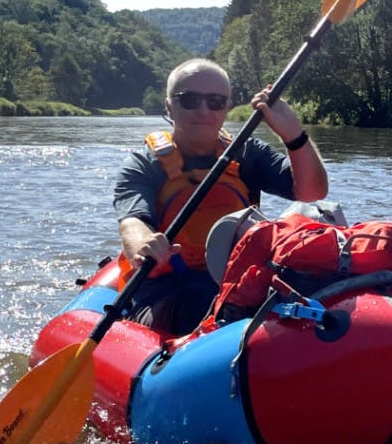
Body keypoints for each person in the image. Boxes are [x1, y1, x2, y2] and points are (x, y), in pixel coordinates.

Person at [113, 58, 328, 334]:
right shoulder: (144, 164)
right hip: (167, 291)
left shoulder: (247, 153)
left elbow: (312, 191)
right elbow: (132, 222)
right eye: (189, 100)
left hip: (238, 283)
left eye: (215, 101)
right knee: (200, 301)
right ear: (169, 106)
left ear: (226, 107)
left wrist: (294, 134)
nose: (203, 110)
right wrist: (145, 245)